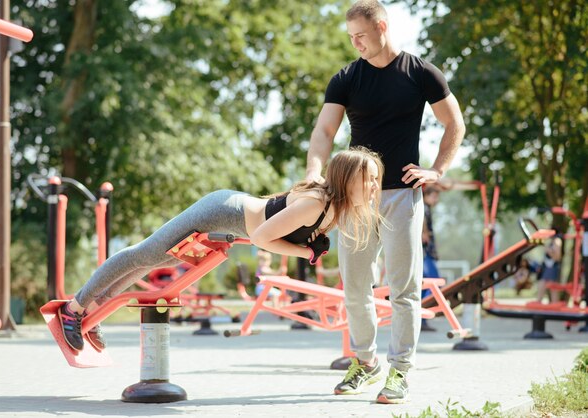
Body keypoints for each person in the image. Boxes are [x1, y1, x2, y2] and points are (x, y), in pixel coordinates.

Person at [57, 147, 384, 352]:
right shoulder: (316, 205)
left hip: (230, 214)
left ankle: (92, 311)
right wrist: (305, 253)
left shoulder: (333, 210)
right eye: (368, 179)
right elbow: (261, 238)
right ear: (347, 179)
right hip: (222, 210)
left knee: (149, 261)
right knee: (144, 255)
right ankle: (73, 309)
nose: (373, 186)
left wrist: (310, 247)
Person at [304, 0, 465, 404]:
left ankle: (400, 371)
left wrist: (438, 170)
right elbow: (324, 130)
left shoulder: (421, 73)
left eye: (360, 35)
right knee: (355, 288)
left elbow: (454, 123)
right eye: (351, 37)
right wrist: (314, 171)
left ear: (381, 26)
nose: (355, 43)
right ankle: (365, 362)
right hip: (355, 198)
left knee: (403, 290)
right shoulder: (346, 78)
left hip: (402, 196)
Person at [421, 185, 441, 332]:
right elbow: (421, 221)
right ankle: (422, 314)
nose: (436, 200)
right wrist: (424, 232)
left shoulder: (425, 207)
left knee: (423, 287)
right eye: (434, 196)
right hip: (425, 253)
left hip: (425, 252)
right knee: (434, 283)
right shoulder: (423, 206)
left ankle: (421, 317)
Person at [536, 228, 564, 304]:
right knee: (549, 286)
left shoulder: (557, 241)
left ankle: (541, 302)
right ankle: (542, 302)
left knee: (551, 286)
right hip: (549, 266)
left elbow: (557, 257)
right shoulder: (554, 241)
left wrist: (548, 251)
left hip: (552, 266)